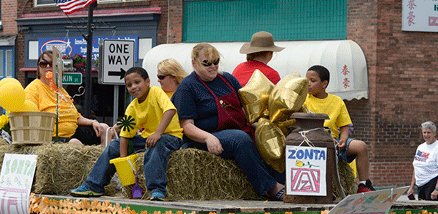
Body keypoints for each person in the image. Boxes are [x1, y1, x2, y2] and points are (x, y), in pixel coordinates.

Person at [171, 43, 285, 201]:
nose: (213, 66)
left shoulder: (227, 79)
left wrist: (260, 125)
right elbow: (186, 125)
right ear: (194, 63)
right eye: (207, 63)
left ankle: (286, 182)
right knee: (240, 139)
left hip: (238, 127)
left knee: (269, 135)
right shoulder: (187, 87)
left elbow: (244, 107)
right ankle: (269, 187)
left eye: (216, 62)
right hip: (207, 136)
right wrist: (208, 138)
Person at [71, 66, 183, 201]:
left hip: (170, 136)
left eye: (137, 82)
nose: (133, 87)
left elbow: (170, 110)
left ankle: (157, 189)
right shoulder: (132, 107)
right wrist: (124, 162)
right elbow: (125, 135)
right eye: (129, 85)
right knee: (114, 146)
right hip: (147, 138)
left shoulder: (157, 92)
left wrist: (158, 133)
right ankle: (93, 186)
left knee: (156, 145)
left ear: (147, 82)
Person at [304, 65, 375, 193]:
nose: (308, 83)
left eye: (313, 81)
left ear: (324, 84)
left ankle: (363, 184)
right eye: (306, 80)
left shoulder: (337, 101)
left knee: (361, 146)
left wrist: (343, 139)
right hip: (310, 142)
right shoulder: (303, 100)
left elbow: (344, 126)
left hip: (334, 141)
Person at [25, 50, 108, 146]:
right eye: (43, 64)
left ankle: (103, 159)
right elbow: (30, 117)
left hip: (73, 132)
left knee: (104, 128)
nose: (48, 67)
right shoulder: (33, 88)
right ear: (38, 68)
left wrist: (92, 122)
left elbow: (76, 116)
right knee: (74, 143)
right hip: (52, 137)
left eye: (51, 64)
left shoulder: (60, 89)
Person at [407, 121, 438, 201]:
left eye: (429, 132)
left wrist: (436, 190)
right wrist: (411, 187)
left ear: (434, 133)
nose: (426, 135)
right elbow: (416, 167)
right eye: (424, 132)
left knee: (432, 212)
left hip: (432, 184)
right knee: (422, 211)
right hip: (420, 185)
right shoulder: (420, 147)